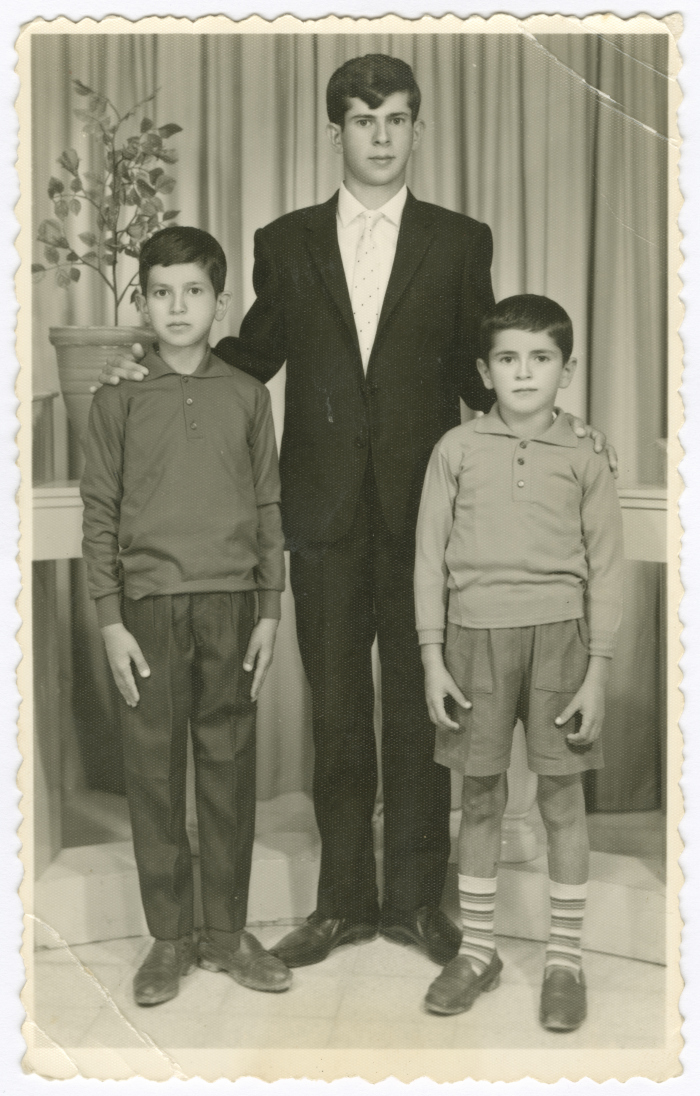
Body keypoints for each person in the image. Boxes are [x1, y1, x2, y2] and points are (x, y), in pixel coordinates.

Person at [97, 55, 614, 971]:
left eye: (397, 119)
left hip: (431, 523)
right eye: (364, 120)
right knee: (336, 711)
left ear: (418, 129)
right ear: (334, 131)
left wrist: (563, 424)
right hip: (323, 514)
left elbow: (485, 373)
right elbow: (253, 354)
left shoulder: (459, 241)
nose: (381, 136)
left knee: (423, 714)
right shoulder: (287, 239)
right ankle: (340, 904)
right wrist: (145, 360)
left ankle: (414, 903)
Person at [81, 226, 292, 1006]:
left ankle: (227, 933)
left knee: (229, 767)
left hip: (232, 605)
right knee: (154, 773)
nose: (177, 307)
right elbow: (99, 513)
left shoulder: (247, 396)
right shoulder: (117, 397)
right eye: (161, 292)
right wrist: (110, 619)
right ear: (141, 301)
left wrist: (270, 608)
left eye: (193, 292)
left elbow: (268, 505)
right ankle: (169, 939)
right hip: (147, 611)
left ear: (219, 303)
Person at [414, 294, 623, 1031]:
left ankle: (564, 962)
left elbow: (606, 568)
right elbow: (428, 559)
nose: (524, 372)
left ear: (568, 370)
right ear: (484, 371)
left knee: (561, 799)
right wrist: (432, 657)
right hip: (474, 638)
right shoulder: (456, 449)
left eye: (541, 359)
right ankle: (476, 951)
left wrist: (598, 671)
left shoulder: (587, 454)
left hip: (562, 641)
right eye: (508, 359)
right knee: (479, 797)